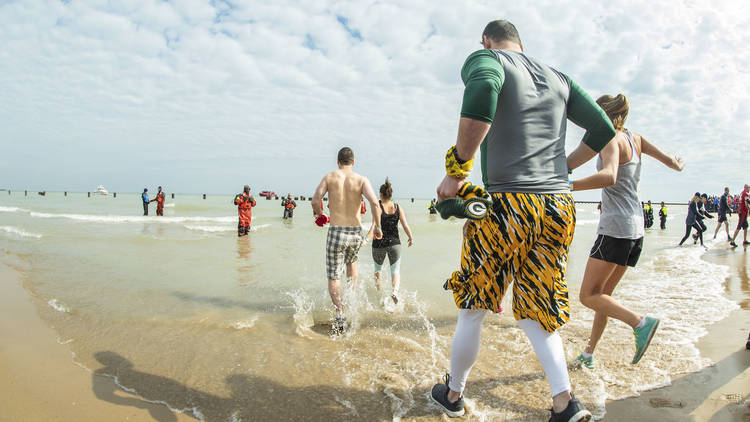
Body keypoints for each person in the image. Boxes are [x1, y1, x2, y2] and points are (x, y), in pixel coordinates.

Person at [430, 20, 617, 421]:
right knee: (537, 307)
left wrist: (457, 171)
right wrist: (563, 167)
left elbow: (482, 89)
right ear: (521, 42)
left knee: (474, 306)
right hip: (558, 207)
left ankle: (453, 394)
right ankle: (565, 401)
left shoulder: (487, 58)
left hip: (508, 204)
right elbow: (603, 127)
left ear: (486, 40)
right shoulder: (558, 76)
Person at [568, 93, 683, 372]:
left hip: (615, 228)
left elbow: (609, 176)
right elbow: (669, 160)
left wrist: (567, 185)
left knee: (587, 296)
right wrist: (678, 163)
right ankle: (588, 353)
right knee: (603, 295)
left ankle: (640, 323)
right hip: (635, 229)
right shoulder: (636, 138)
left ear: (603, 114)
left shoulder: (610, 138)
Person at [311, 147, 381, 332]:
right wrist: (378, 227)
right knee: (352, 265)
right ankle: (351, 302)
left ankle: (340, 313)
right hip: (355, 232)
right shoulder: (361, 179)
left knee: (334, 276)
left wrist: (320, 214)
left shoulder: (330, 177)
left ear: (338, 161)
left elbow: (315, 198)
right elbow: (375, 202)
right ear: (353, 162)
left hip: (336, 231)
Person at [365, 178, 414, 304]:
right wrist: (410, 237)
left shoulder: (378, 207)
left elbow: (374, 226)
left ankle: (379, 295)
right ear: (390, 194)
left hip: (379, 244)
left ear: (380, 194)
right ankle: (395, 292)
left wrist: (366, 239)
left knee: (377, 270)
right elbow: (405, 225)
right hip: (395, 244)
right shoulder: (397, 207)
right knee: (395, 271)